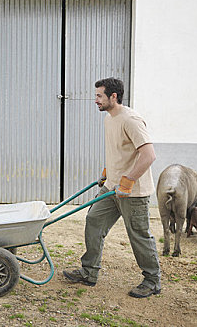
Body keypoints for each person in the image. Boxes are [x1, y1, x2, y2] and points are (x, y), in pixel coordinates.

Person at [63, 77, 161, 298]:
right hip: (111, 188)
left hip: (133, 192)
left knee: (138, 235)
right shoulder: (109, 119)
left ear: (113, 96)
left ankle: (153, 280)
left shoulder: (131, 120)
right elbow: (120, 151)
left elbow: (148, 155)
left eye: (99, 95)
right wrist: (108, 172)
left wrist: (128, 181)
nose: (95, 99)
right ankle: (89, 272)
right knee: (94, 220)